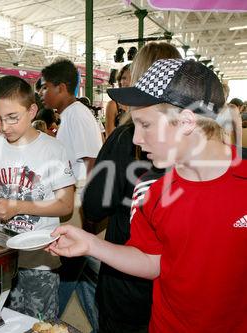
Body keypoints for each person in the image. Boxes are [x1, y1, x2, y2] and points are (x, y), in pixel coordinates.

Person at [48, 59, 247, 333]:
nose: (135, 140)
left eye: (145, 125)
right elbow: (153, 262)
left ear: (187, 122)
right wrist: (92, 245)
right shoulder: (152, 190)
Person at [82, 42, 181, 333]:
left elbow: (95, 205)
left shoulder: (125, 138)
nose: (141, 139)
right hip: (173, 286)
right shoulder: (206, 156)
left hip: (127, 283)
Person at [0, 75, 75, 320]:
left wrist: (17, 206)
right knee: (2, 321)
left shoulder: (53, 149)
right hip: (3, 256)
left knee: (39, 323)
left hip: (39, 259)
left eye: (13, 118)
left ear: (32, 110)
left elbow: (66, 205)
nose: (5, 127)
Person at [40, 59, 103, 330]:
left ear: (62, 87)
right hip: (74, 200)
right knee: (81, 271)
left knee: (69, 269)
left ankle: (49, 322)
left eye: (45, 88)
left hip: (78, 203)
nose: (42, 93)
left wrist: (88, 210)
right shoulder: (69, 115)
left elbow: (91, 162)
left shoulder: (77, 114)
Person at [104, 64, 130, 137]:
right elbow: (109, 137)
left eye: (131, 78)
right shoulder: (113, 105)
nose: (126, 82)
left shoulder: (141, 104)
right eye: (124, 78)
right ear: (120, 81)